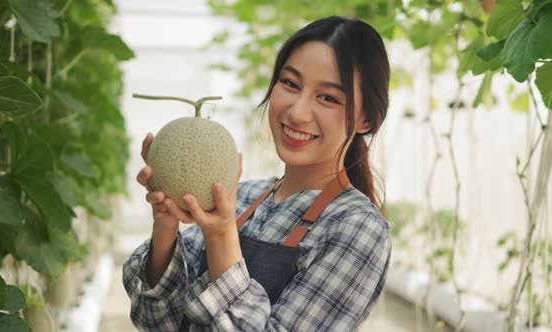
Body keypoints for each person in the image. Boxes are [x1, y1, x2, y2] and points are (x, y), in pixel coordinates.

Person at [123, 15, 392, 331]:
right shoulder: (241, 197)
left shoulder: (357, 228)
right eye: (290, 83)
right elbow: (157, 322)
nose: (297, 112)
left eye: (328, 98)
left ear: (365, 121)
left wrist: (222, 235)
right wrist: (166, 224)